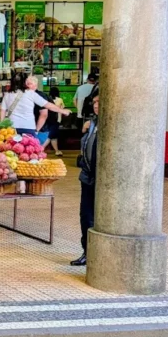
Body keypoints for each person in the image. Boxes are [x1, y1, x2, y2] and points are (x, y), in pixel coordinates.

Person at [72, 94, 99, 267]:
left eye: (99, 102)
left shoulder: (112, 124)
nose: (95, 105)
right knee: (86, 216)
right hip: (88, 176)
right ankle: (87, 252)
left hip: (102, 179)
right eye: (94, 102)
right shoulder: (92, 123)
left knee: (96, 217)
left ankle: (97, 254)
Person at [0, 74, 71, 136]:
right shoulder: (30, 93)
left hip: (11, 128)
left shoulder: (7, 95)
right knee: (29, 146)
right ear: (24, 83)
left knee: (12, 147)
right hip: (28, 127)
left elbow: (2, 111)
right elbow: (48, 105)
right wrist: (63, 111)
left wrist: (1, 126)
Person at [39, 86, 65, 156]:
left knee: (54, 136)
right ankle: (40, 149)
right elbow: (62, 108)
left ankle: (57, 151)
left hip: (48, 119)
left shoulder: (47, 99)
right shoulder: (60, 100)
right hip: (56, 120)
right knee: (51, 136)